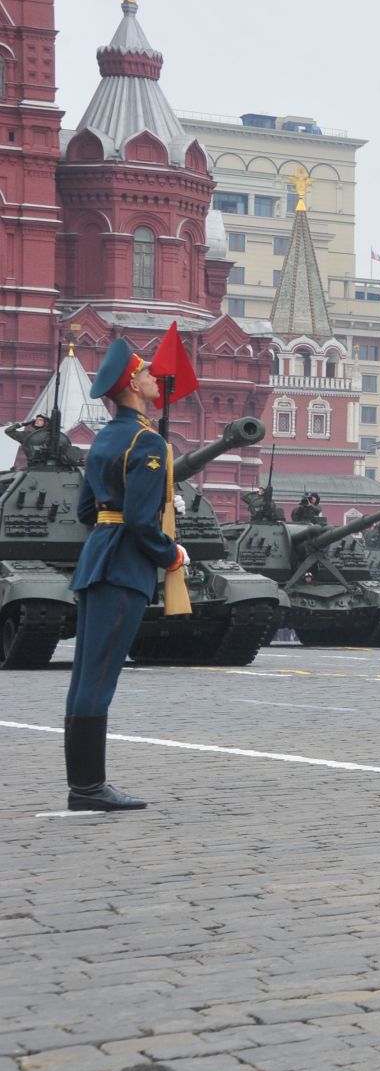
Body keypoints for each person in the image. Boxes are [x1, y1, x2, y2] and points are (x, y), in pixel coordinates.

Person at [61, 337, 191, 812]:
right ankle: (89, 789)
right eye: (147, 374)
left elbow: (85, 510)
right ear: (132, 385)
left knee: (86, 676)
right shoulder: (148, 441)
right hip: (123, 568)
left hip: (97, 559)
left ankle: (85, 785)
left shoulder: (104, 440)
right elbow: (139, 523)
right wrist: (171, 553)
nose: (155, 378)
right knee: (99, 680)